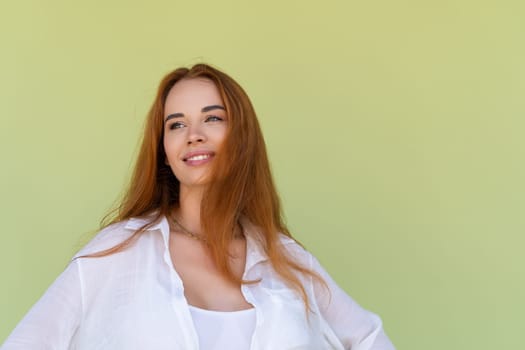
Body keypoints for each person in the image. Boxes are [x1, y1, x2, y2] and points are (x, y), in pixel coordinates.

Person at [1, 64, 395, 349]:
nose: (193, 135)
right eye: (176, 124)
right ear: (164, 151)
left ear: (241, 137)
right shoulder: (115, 254)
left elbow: (368, 338)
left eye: (213, 118)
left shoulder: (286, 261)